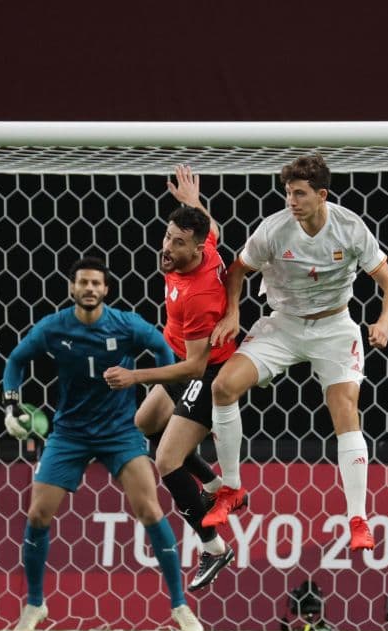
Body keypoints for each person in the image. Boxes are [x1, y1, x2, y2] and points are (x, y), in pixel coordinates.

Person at [209, 153, 388, 552]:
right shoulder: (274, 229)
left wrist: (384, 322)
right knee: (223, 387)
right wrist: (232, 313)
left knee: (345, 409)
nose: (291, 201)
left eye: (299, 193)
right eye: (288, 193)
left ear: (322, 195)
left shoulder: (350, 227)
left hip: (334, 327)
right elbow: (237, 269)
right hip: (283, 324)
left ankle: (358, 519)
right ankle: (231, 488)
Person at [3, 257, 204, 631]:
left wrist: (158, 390)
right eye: (83, 282)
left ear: (106, 289)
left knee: (150, 510)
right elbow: (16, 360)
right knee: (38, 514)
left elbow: (163, 350)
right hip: (70, 433)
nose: (90, 288)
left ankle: (180, 605)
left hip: (119, 432)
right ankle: (34, 603)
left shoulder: (126, 325)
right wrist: (12, 404)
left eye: (96, 283)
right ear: (72, 288)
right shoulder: (54, 327)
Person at [103, 165, 248, 593]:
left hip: (208, 371)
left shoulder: (198, 295)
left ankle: (214, 547)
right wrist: (193, 204)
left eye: (177, 243)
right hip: (186, 360)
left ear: (194, 249)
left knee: (166, 460)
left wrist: (136, 376)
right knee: (145, 423)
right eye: (167, 237)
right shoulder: (200, 248)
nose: (167, 248)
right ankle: (215, 486)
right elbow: (213, 230)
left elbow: (195, 368)